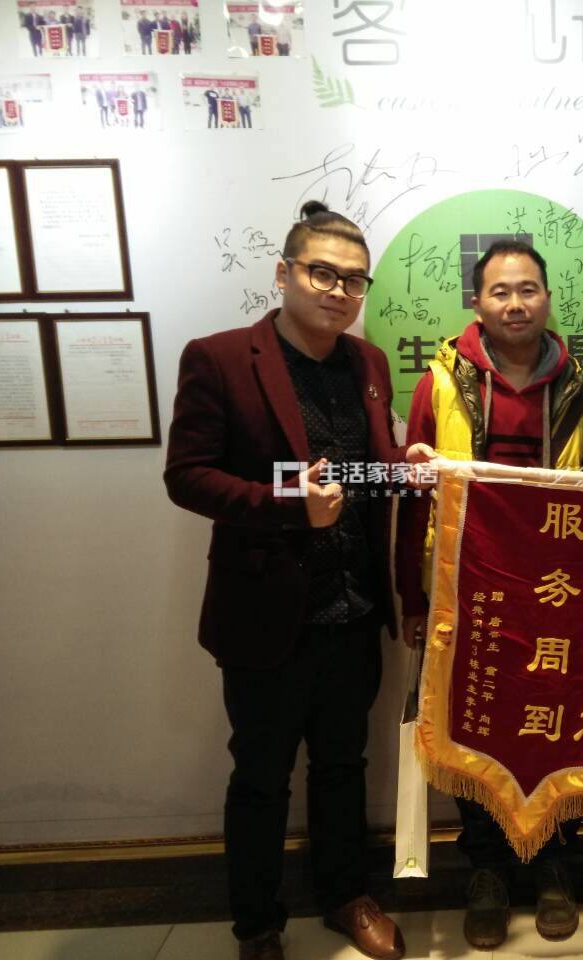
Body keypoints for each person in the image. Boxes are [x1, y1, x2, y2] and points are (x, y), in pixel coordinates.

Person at [165, 202, 425, 960]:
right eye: (322, 273)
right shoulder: (219, 358)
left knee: (344, 766)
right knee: (261, 777)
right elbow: (187, 476)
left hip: (353, 607)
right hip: (265, 613)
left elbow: (360, 469)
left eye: (354, 280)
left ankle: (346, 896)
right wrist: (288, 506)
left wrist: (398, 467)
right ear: (284, 274)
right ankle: (258, 924)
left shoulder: (368, 364)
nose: (339, 292)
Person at [396, 239, 583, 951]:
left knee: (551, 725)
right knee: (470, 726)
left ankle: (550, 862)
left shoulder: (578, 391)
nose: (515, 303)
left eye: (528, 289)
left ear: (547, 299)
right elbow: (412, 491)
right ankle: (486, 868)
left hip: (551, 593)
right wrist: (411, 597)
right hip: (464, 590)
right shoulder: (439, 384)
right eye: (500, 291)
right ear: (477, 303)